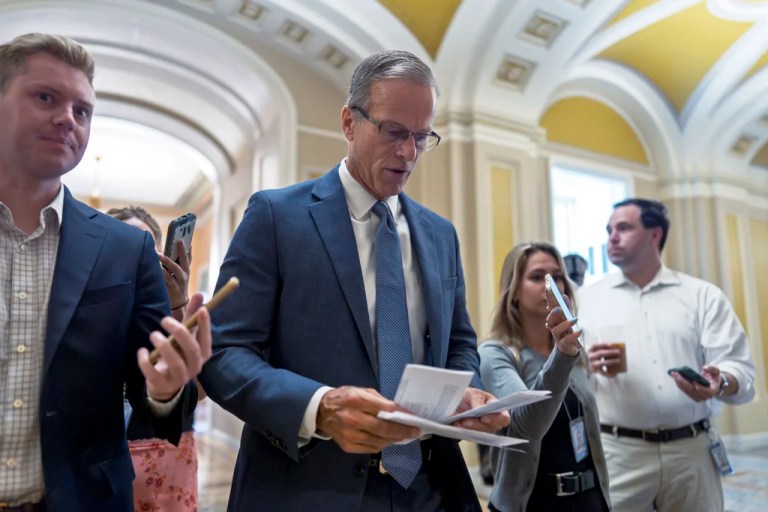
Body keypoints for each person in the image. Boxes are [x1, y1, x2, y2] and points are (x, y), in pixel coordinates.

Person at [199, 49, 510, 512]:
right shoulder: (276, 217)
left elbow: (460, 342)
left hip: (431, 488)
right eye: (394, 131)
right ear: (349, 122)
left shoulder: (440, 234)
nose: (408, 153)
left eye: (421, 137)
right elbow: (223, 353)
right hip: (308, 488)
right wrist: (319, 407)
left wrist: (465, 392)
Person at [0, 33, 211, 511]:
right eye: (46, 97)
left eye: (83, 110)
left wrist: (165, 388)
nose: (67, 119)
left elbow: (157, 402)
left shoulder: (126, 249)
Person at [579, 198, 756, 512]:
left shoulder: (701, 295)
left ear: (655, 234)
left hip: (692, 453)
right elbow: (564, 375)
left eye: (623, 228)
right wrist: (587, 367)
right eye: (609, 230)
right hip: (618, 454)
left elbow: (737, 366)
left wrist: (721, 383)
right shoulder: (586, 300)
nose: (612, 238)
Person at [479, 242, 610, 512]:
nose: (550, 286)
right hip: (533, 503)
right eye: (537, 277)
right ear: (514, 291)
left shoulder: (573, 350)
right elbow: (527, 425)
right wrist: (562, 356)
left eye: (557, 277)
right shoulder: (496, 354)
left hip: (589, 499)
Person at [107, 206, 201, 512]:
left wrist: (177, 308)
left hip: (165, 463)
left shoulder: (185, 312)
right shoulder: (91, 310)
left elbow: (198, 394)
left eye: (146, 248)